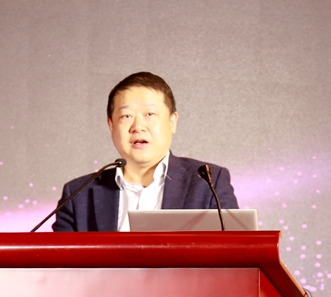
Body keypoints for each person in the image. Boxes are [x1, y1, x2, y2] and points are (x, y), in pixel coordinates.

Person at [52, 71, 238, 232]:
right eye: (126, 116)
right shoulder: (78, 194)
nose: (138, 126)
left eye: (150, 114)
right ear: (111, 126)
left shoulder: (208, 183)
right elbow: (58, 260)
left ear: (172, 121)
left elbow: (234, 253)